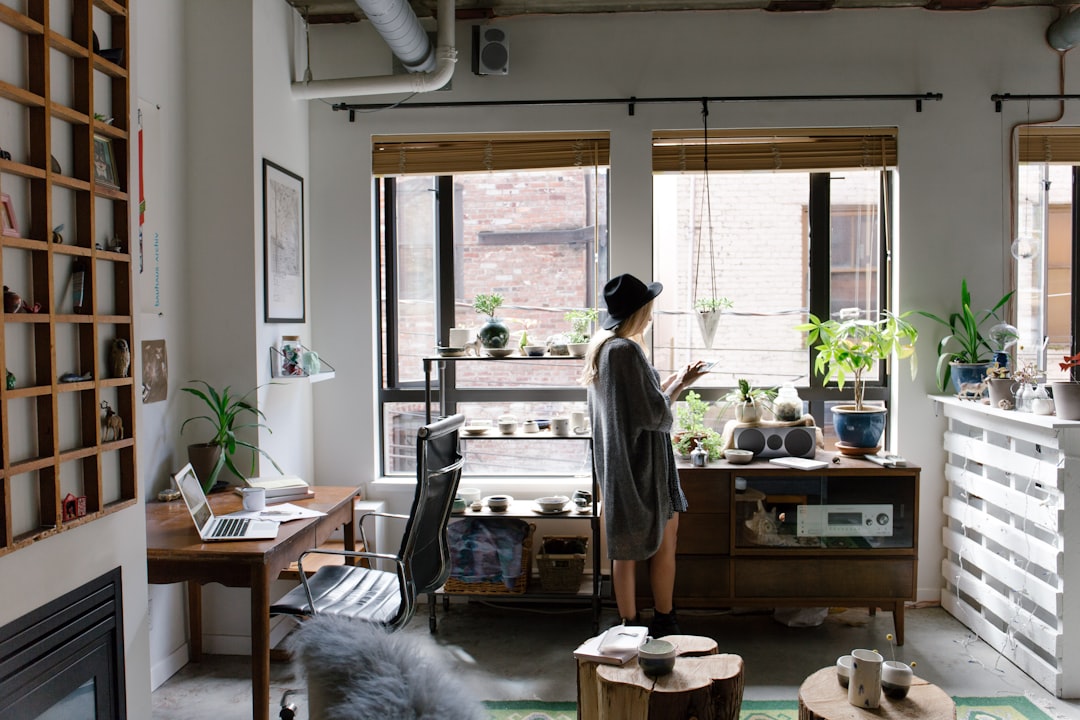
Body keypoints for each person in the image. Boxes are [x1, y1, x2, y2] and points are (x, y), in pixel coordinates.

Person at [581, 273, 708, 637]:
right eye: (648, 310)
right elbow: (654, 415)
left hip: (619, 468)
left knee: (623, 548)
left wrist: (675, 380)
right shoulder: (628, 351)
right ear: (637, 312)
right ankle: (665, 620)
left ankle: (628, 626)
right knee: (666, 542)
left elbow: (638, 403)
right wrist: (680, 387)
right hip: (644, 468)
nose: (651, 317)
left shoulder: (603, 350)